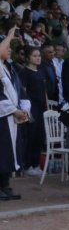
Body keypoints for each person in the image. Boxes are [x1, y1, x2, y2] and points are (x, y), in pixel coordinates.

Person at [0, 27, 28, 201]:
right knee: (2, 152)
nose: (10, 49)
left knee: (10, 152)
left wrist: (24, 109)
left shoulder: (8, 67)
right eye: (7, 46)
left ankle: (5, 185)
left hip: (11, 117)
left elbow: (20, 91)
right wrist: (10, 34)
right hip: (3, 116)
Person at [20, 46, 48, 177]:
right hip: (31, 108)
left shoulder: (41, 71)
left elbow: (45, 92)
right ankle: (27, 165)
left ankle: (36, 163)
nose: (38, 58)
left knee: (39, 136)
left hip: (42, 107)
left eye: (39, 56)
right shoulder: (24, 73)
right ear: (27, 58)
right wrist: (26, 110)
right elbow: (23, 92)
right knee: (30, 136)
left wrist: (47, 107)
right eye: (35, 56)